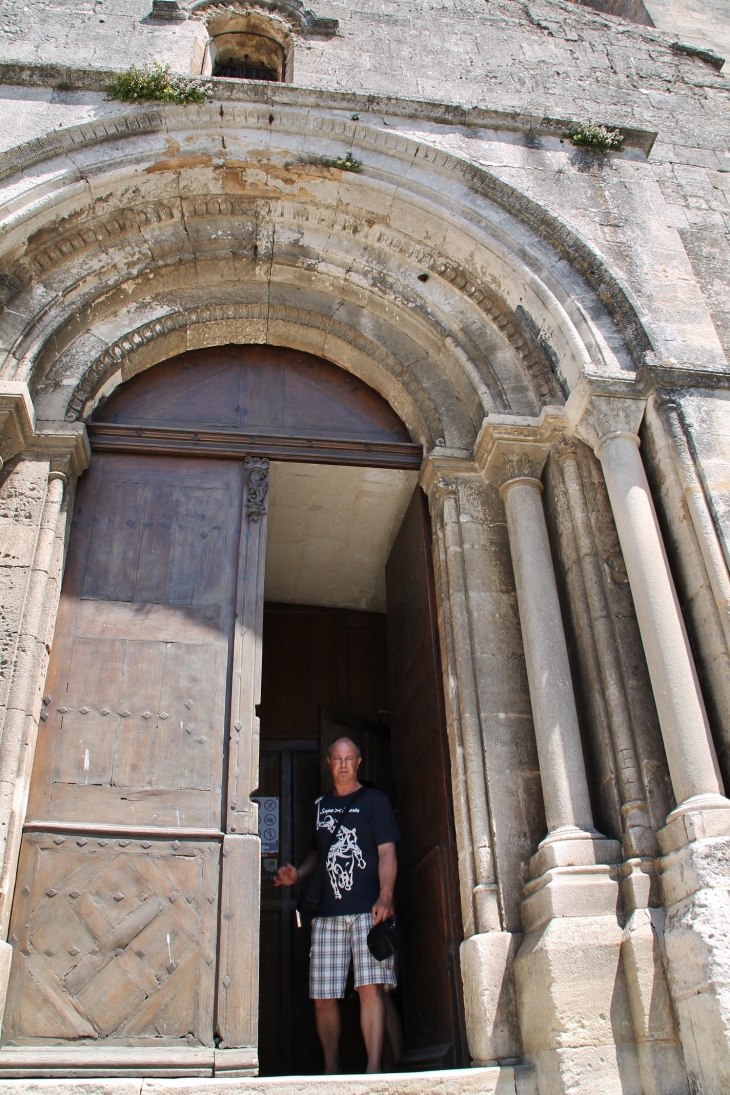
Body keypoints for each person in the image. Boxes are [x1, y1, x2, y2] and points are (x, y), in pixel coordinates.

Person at [274, 736, 398, 1074]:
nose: (342, 764)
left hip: (368, 910)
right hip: (328, 913)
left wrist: (385, 896)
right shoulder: (320, 806)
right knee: (323, 995)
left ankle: (373, 1069)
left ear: (358, 763)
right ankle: (332, 1067)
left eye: (349, 759)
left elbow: (387, 851)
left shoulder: (375, 802)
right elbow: (320, 852)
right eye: (337, 759)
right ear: (329, 763)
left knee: (369, 989)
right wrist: (297, 874)